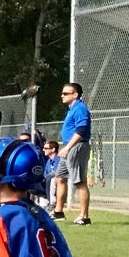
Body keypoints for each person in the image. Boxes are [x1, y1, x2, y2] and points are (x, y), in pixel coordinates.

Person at [53, 82, 92, 224]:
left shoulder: (80, 108)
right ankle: (58, 212)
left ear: (75, 95)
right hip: (67, 147)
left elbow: (81, 130)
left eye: (65, 93)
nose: (62, 96)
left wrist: (68, 147)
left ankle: (84, 217)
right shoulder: (71, 109)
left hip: (76, 147)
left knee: (79, 181)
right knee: (60, 178)